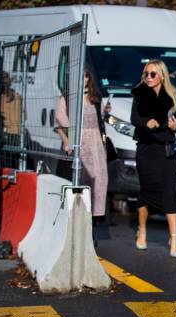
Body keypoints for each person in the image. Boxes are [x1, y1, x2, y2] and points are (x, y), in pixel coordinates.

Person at [130, 59, 176, 258]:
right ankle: (142, 231)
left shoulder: (172, 96)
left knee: (169, 192)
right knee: (146, 192)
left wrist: (175, 126)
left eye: (153, 74)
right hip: (146, 149)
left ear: (162, 76)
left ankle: (174, 239)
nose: (148, 78)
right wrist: (146, 122)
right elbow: (134, 118)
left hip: (167, 150)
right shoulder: (140, 93)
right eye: (146, 74)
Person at [55, 67, 108, 224]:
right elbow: (58, 123)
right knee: (79, 181)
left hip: (96, 146)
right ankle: (78, 220)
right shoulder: (67, 98)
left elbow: (101, 122)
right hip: (78, 144)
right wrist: (66, 141)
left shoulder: (95, 98)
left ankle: (93, 221)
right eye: (81, 76)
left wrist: (106, 113)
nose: (84, 79)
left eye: (86, 76)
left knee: (99, 180)